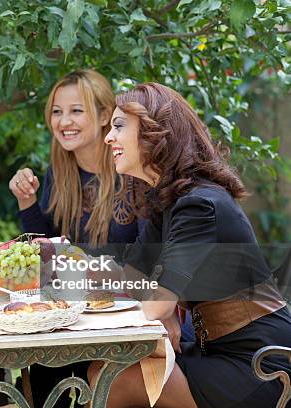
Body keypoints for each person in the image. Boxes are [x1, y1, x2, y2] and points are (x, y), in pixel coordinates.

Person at [91, 82, 291, 407]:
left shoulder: (199, 204)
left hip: (259, 362)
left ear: (154, 132)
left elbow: (156, 304)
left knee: (112, 380)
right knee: (106, 371)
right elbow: (130, 275)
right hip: (215, 348)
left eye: (118, 126)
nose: (108, 138)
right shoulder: (169, 200)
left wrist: (163, 307)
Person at [8, 69, 144, 407]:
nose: (64, 121)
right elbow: (49, 246)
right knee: (39, 368)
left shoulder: (132, 171)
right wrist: (26, 201)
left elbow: (149, 261)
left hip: (125, 316)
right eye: (57, 111)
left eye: (76, 110)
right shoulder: (61, 171)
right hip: (73, 312)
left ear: (102, 116)